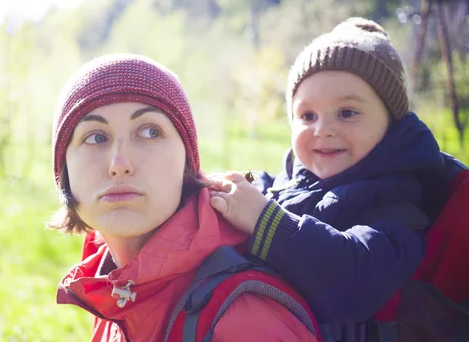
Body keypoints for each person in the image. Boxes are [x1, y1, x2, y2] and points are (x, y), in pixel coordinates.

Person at [47, 54, 317, 342]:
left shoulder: (241, 318)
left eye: (150, 132)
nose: (120, 163)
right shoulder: (112, 285)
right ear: (64, 170)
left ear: (187, 161)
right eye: (96, 137)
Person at [208, 18, 452, 329]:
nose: (323, 130)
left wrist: (264, 219)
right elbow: (275, 188)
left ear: (392, 123)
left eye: (347, 113)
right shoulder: (296, 177)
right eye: (307, 115)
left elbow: (352, 280)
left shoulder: (397, 203)